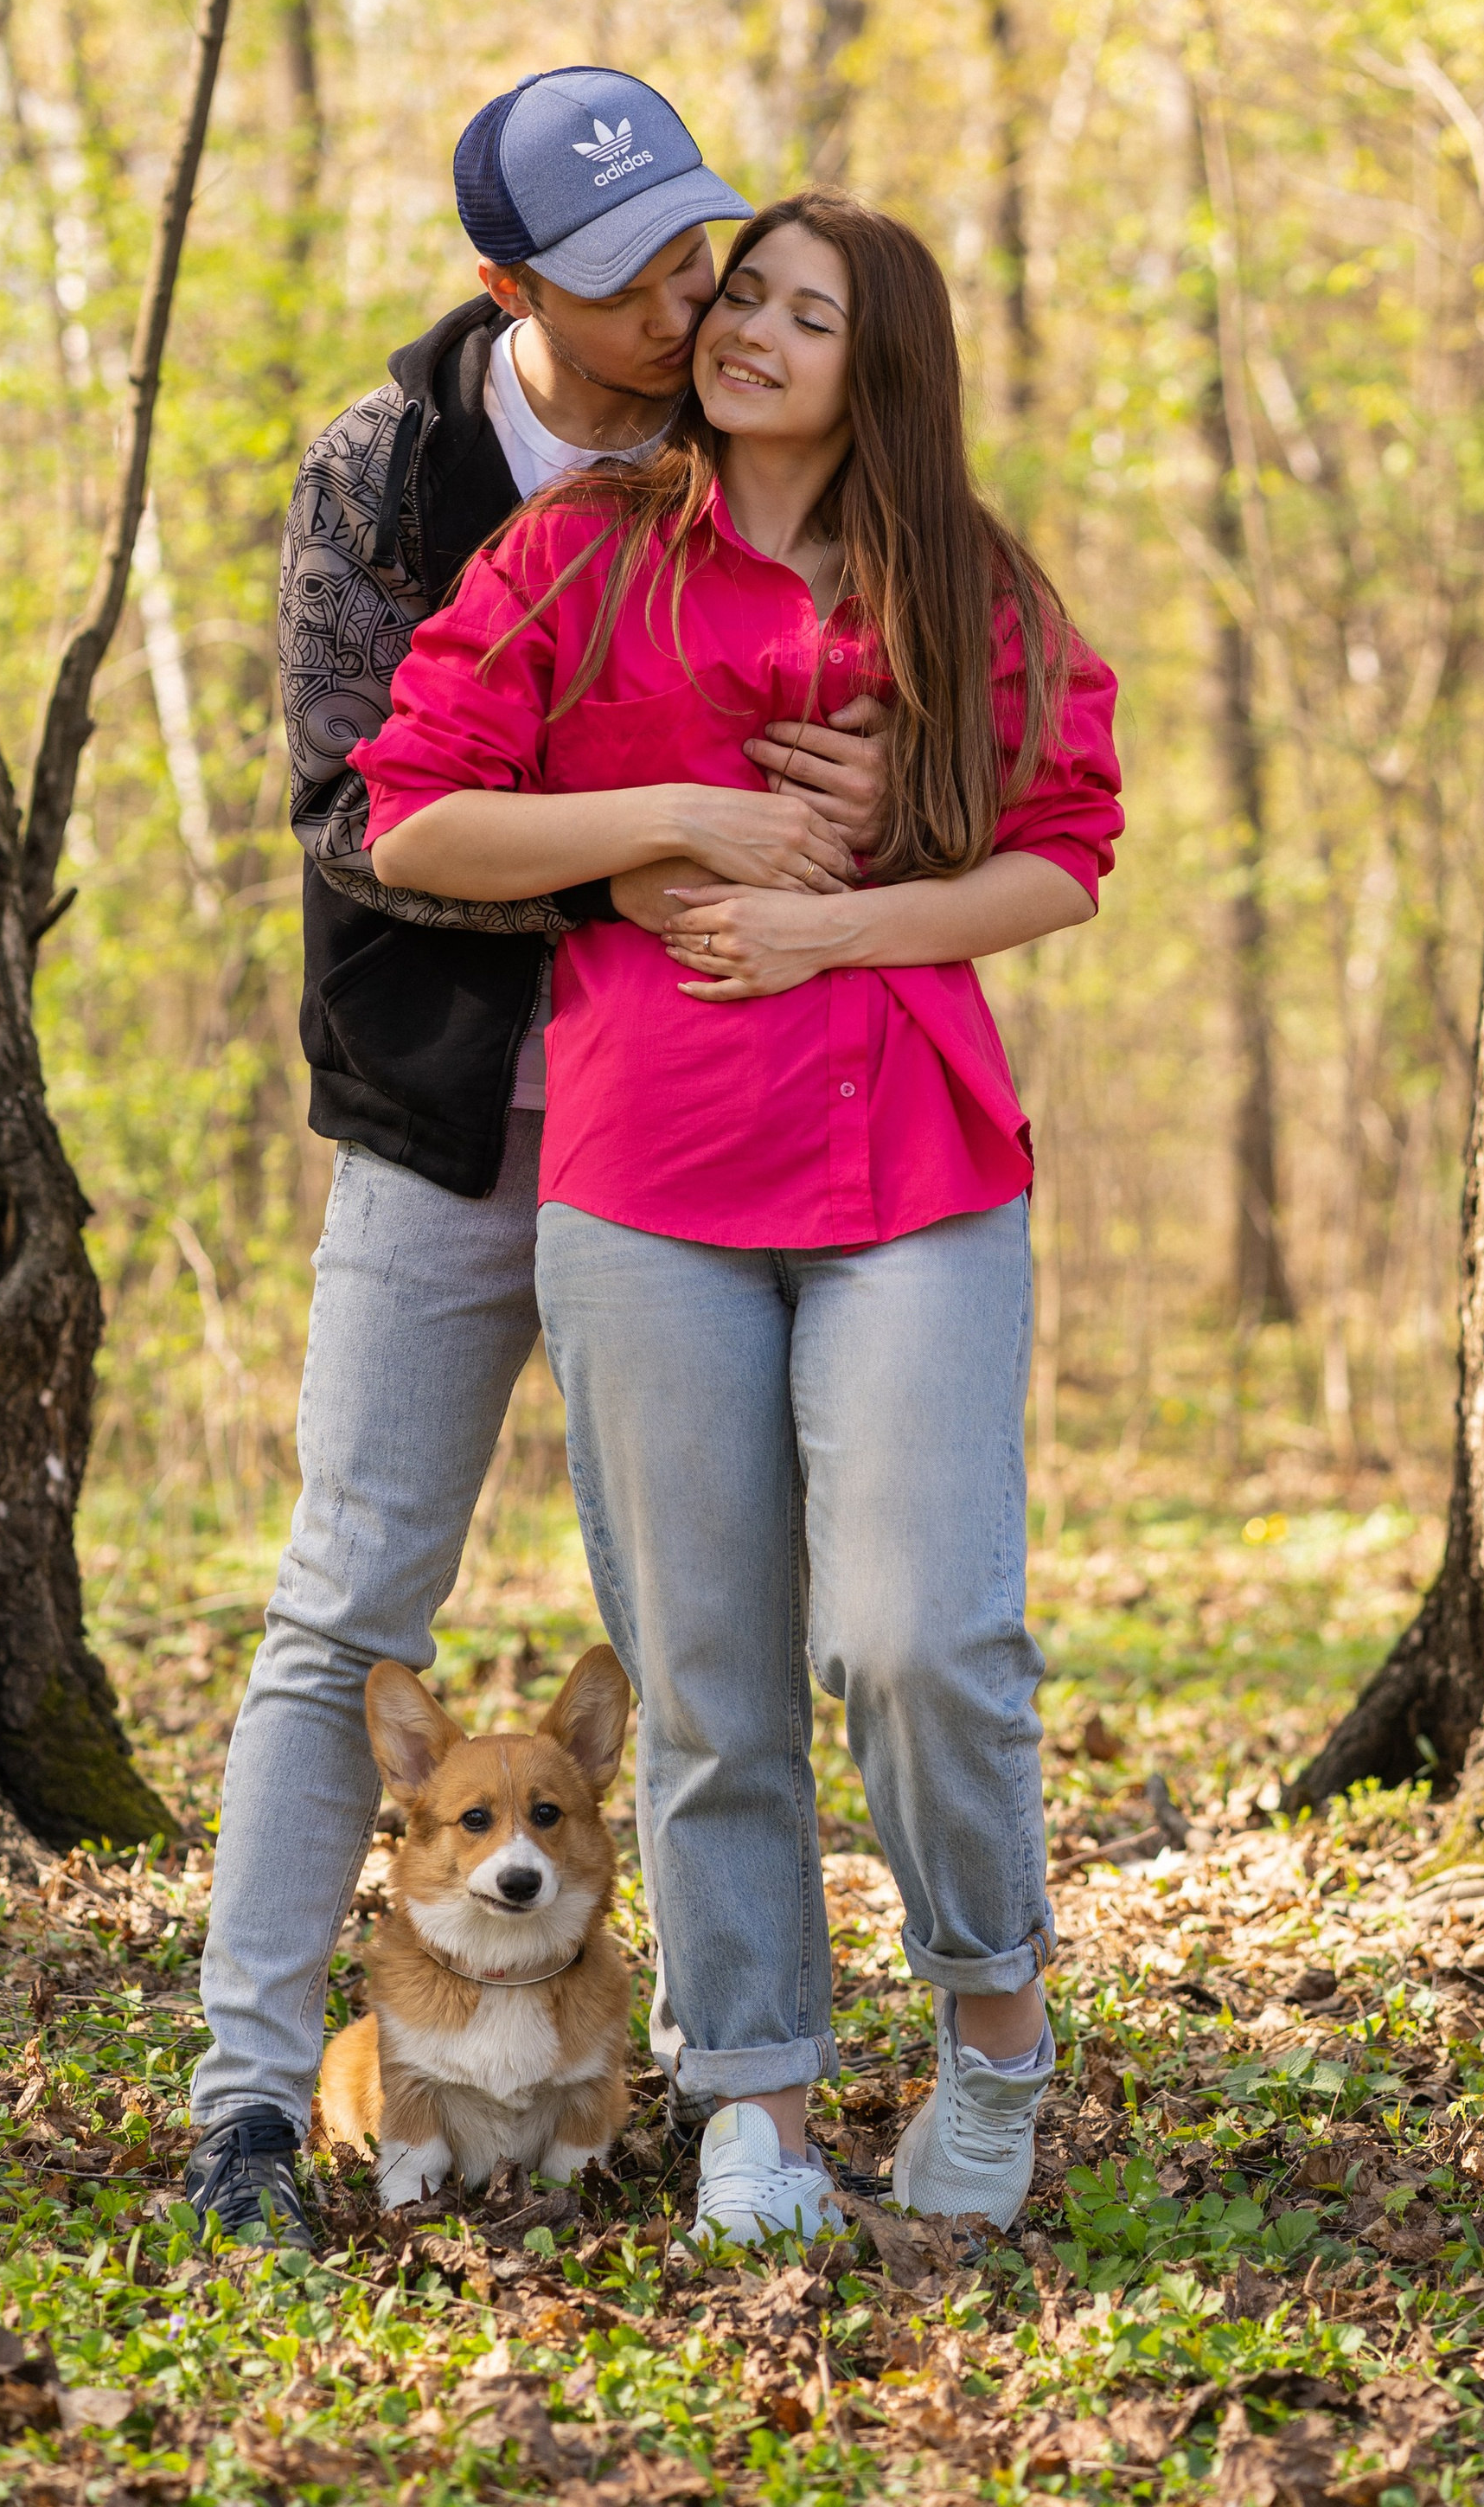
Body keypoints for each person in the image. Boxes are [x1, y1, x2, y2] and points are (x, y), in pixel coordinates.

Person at [355, 190, 1123, 2250]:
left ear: (882, 363)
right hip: (649, 1176)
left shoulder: (962, 588)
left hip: (911, 1172)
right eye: (739, 301)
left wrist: (840, 922)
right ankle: (757, 2101)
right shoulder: (579, 552)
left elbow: (1063, 852)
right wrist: (673, 821)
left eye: (804, 314)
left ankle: (992, 2036)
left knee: (919, 1637)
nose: (747, 335)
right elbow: (415, 806)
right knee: (704, 1676)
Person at [183, 74, 893, 2249]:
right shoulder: (386, 475)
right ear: (507, 288)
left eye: (698, 251)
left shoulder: (769, 436)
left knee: (692, 1619)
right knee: (345, 1602)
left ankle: (709, 2083)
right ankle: (241, 2100)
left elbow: (879, 719)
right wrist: (635, 867)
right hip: (442, 1119)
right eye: (631, 281)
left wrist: (870, 776)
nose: (688, 305)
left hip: (696, 1115)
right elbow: (346, 814)